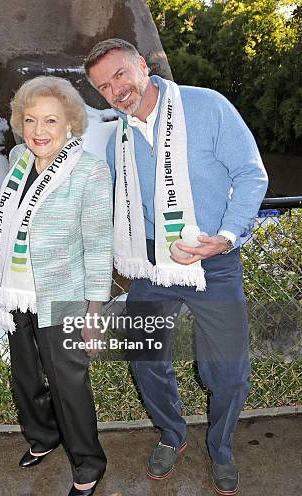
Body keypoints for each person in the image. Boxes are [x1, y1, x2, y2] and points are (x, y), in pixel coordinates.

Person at [84, 39, 268, 495]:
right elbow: (115, 211)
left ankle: (221, 445)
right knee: (146, 357)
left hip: (214, 260)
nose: (116, 91)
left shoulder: (207, 107)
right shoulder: (117, 141)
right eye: (104, 87)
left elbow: (251, 174)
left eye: (120, 75)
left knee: (227, 369)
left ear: (142, 66)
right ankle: (173, 433)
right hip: (149, 263)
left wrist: (225, 236)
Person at [0, 76, 113, 496]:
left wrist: (94, 311)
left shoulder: (89, 171)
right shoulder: (20, 156)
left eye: (50, 120)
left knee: (68, 382)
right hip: (16, 290)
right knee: (26, 375)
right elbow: (5, 196)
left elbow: (98, 245)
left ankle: (89, 463)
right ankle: (43, 436)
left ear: (70, 123)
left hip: (63, 295)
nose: (38, 130)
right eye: (31, 119)